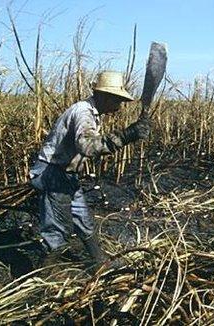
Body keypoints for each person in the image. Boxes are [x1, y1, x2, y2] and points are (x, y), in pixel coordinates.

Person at [29, 71, 150, 267]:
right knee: (58, 229)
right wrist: (128, 135)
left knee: (83, 220)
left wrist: (130, 134)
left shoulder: (92, 113)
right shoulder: (83, 112)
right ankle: (44, 275)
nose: (119, 105)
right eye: (116, 100)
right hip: (51, 173)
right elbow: (86, 145)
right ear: (103, 96)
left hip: (66, 175)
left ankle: (99, 262)